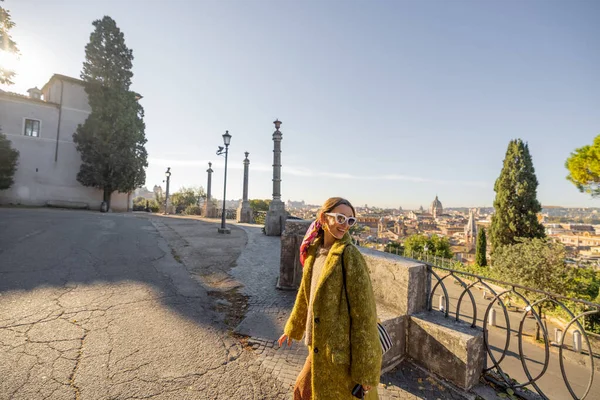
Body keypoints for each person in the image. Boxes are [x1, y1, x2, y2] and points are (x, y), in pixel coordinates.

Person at [278, 197, 382, 399]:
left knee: (305, 393)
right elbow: (305, 294)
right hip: (317, 347)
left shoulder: (349, 256)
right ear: (324, 218)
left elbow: (365, 316)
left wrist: (366, 372)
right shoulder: (314, 251)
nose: (345, 225)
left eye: (350, 221)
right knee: (301, 392)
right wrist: (293, 328)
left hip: (338, 354)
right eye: (341, 218)